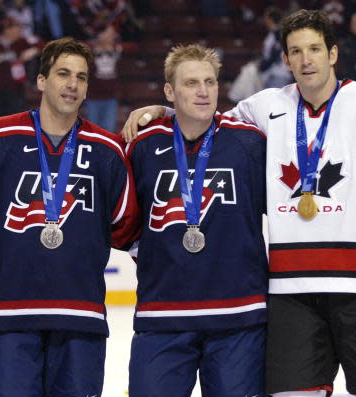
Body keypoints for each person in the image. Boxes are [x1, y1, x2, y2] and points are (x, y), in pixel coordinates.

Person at [121, 9, 356, 397]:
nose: (306, 60)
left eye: (315, 49)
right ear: (285, 59)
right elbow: (207, 121)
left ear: (333, 54)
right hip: (293, 293)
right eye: (296, 51)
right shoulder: (267, 106)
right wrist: (165, 112)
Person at [0, 37, 139, 397]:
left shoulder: (107, 150)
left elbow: (128, 229)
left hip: (81, 318)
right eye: (63, 74)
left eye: (81, 77)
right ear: (41, 81)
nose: (72, 85)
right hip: (8, 317)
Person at [125, 43, 267, 397]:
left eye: (210, 81)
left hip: (239, 317)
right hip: (162, 317)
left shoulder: (250, 143)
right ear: (169, 91)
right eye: (191, 83)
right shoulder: (142, 145)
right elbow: (121, 218)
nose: (204, 92)